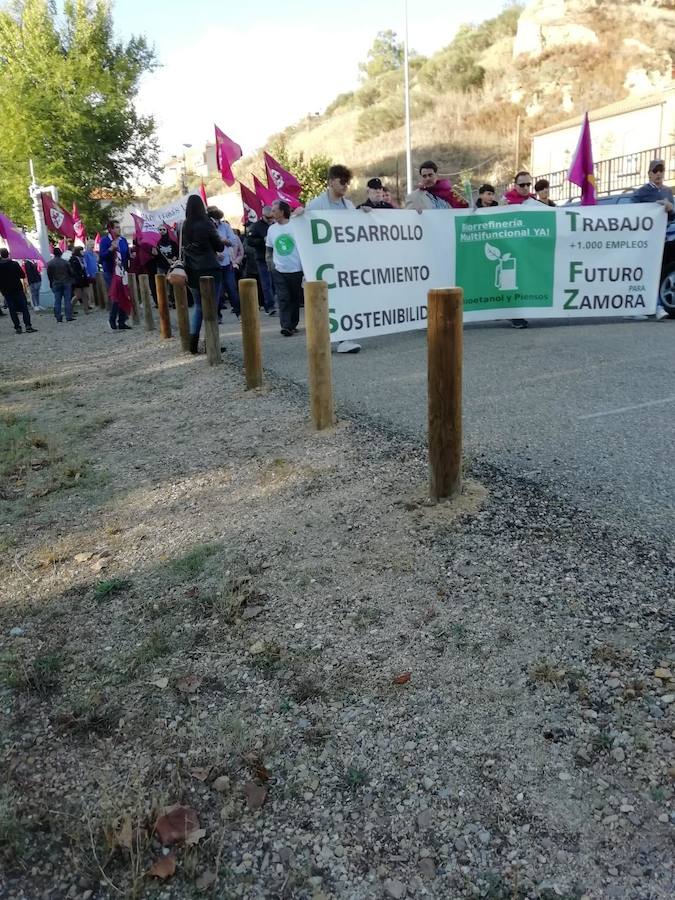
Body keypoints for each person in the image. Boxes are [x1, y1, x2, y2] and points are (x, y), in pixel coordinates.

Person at [302, 164, 362, 353]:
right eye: (342, 181)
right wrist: (298, 216)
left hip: (344, 262)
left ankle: (345, 338)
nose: (345, 186)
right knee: (323, 301)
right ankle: (321, 338)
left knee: (345, 299)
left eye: (348, 182)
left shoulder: (349, 206)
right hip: (324, 263)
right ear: (330, 182)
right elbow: (305, 231)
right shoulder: (316, 205)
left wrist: (367, 214)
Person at [632, 159, 674, 321]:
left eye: (661, 170)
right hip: (643, 239)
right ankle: (639, 306)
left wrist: (670, 208)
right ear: (649, 173)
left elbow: (673, 214)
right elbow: (630, 209)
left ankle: (655, 306)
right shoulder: (642, 191)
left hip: (660, 238)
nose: (658, 174)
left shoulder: (667, 192)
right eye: (655, 171)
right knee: (641, 272)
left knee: (654, 272)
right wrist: (650, 208)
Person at [182, 195, 224, 354]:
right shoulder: (206, 224)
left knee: (199, 307)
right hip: (210, 269)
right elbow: (219, 247)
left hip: (192, 271)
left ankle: (193, 344)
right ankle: (212, 344)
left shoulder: (185, 225)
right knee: (211, 308)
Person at [266, 199, 303, 337]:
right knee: (283, 297)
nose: (272, 213)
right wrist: (271, 265)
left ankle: (293, 324)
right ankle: (286, 326)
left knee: (294, 297)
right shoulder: (272, 229)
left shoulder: (295, 225)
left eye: (274, 210)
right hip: (279, 269)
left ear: (282, 212)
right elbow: (269, 249)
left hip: (296, 268)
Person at [504, 172, 536, 328]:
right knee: (513, 282)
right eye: (522, 185)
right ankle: (515, 315)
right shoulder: (506, 201)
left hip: (527, 248)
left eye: (528, 185)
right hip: (510, 248)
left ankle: (520, 312)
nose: (525, 188)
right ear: (515, 185)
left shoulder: (533, 202)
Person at [207, 206, 241, 320]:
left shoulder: (225, 226)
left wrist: (224, 241)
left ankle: (239, 313)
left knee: (232, 288)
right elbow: (206, 245)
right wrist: (215, 253)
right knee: (217, 292)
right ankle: (217, 315)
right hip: (213, 264)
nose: (215, 221)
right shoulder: (206, 227)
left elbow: (233, 241)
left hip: (227, 263)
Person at [99, 220, 132, 331]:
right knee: (115, 297)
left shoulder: (122, 240)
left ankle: (122, 321)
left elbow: (126, 255)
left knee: (124, 295)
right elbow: (102, 257)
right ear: (111, 229)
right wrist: (110, 249)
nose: (119, 229)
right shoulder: (105, 240)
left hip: (122, 271)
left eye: (119, 227)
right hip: (110, 272)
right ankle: (112, 320)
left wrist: (131, 255)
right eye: (116, 227)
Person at [247, 206, 276, 314]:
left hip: (275, 257)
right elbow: (250, 241)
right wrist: (261, 241)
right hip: (262, 257)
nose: (270, 220)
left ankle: (275, 302)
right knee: (266, 283)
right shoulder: (256, 227)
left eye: (272, 217)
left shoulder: (275, 225)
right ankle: (269, 306)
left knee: (275, 282)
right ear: (263, 216)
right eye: (268, 218)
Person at [0, 249, 36, 334]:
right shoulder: (14, 264)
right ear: (8, 254)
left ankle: (17, 328)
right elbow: (22, 275)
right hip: (17, 288)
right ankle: (28, 326)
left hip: (6, 290)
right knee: (24, 308)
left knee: (12, 310)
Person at [47, 247, 74, 323]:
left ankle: (58, 317)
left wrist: (51, 283)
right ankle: (68, 316)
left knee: (57, 301)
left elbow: (49, 275)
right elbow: (71, 272)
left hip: (56, 283)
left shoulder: (50, 264)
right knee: (67, 300)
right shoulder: (65, 262)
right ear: (61, 253)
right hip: (66, 282)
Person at [69, 245, 91, 313]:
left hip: (84, 278)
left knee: (85, 294)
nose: (83, 252)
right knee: (78, 295)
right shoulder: (73, 259)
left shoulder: (82, 258)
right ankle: (70, 308)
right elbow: (73, 270)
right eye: (81, 250)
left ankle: (86, 309)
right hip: (77, 279)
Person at [83, 239, 99, 309]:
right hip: (89, 273)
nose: (93, 246)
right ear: (88, 245)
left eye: (93, 244)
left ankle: (96, 302)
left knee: (95, 288)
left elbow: (97, 261)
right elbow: (85, 264)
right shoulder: (86, 253)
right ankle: (90, 303)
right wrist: (87, 273)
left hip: (95, 272)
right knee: (89, 290)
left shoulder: (94, 253)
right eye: (91, 244)